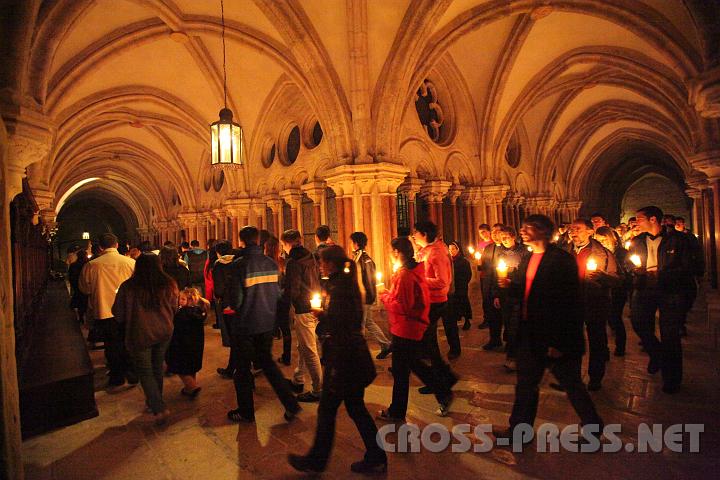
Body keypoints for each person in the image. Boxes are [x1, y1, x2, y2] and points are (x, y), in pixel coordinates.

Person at [494, 215, 603, 441]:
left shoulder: (561, 261)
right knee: (525, 385)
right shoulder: (528, 258)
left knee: (571, 384)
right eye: (522, 227)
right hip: (531, 333)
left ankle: (593, 427)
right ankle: (519, 433)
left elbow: (569, 302)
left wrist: (559, 342)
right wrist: (509, 287)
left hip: (554, 336)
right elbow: (528, 292)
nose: (522, 231)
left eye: (528, 228)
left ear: (543, 231)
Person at [288, 245, 386, 474]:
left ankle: (317, 460)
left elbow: (342, 325)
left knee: (328, 411)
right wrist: (325, 315)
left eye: (322, 262)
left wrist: (324, 320)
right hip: (351, 357)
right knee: (355, 408)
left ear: (330, 263)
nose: (319, 265)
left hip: (344, 360)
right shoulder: (344, 282)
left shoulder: (340, 287)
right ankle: (376, 454)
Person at [225, 226, 301, 423]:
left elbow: (236, 301)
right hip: (267, 322)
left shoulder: (238, 265)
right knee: (268, 365)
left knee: (241, 369)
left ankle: (246, 411)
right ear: (259, 241)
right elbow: (276, 294)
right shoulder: (270, 263)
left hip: (246, 325)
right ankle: (291, 404)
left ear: (241, 241)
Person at [377, 237, 450, 422]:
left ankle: (398, 410)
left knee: (403, 371)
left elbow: (404, 306)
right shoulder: (414, 270)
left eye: (390, 251)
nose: (389, 255)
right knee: (412, 365)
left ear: (396, 252)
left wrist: (384, 295)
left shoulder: (405, 275)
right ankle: (442, 392)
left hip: (405, 328)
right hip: (409, 326)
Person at [629, 206, 694, 394]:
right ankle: (657, 354)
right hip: (644, 288)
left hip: (670, 290)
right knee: (639, 323)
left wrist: (662, 274)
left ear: (653, 219)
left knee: (670, 335)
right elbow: (629, 261)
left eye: (639, 219)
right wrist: (635, 270)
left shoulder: (677, 240)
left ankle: (672, 379)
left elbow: (688, 267)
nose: (635, 222)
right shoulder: (638, 240)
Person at [112, 253, 178, 425]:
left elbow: (118, 313)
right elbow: (174, 307)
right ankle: (155, 400)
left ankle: (158, 406)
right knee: (157, 366)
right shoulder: (169, 284)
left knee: (145, 371)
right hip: (164, 331)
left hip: (140, 333)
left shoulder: (128, 287)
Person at [565, 219, 620, 391]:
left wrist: (601, 276)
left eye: (578, 229)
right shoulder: (564, 253)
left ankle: (595, 376)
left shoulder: (603, 253)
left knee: (596, 340)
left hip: (595, 302)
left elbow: (617, 280)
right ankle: (573, 377)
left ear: (590, 232)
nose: (573, 232)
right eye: (571, 229)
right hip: (571, 303)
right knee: (572, 342)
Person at [80, 233, 137, 391]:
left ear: (100, 247)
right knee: (128, 341)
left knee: (111, 345)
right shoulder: (131, 262)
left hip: (104, 310)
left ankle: (117, 377)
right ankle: (132, 373)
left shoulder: (92, 265)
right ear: (117, 245)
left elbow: (84, 288)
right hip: (127, 310)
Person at [412, 221, 456, 414]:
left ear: (424, 233)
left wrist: (418, 279)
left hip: (436, 301)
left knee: (426, 345)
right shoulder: (429, 250)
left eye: (416, 233)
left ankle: (442, 383)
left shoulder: (437, 252)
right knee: (428, 345)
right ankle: (443, 378)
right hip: (431, 300)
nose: (414, 236)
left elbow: (442, 281)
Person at [281, 229, 323, 402]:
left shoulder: (293, 262)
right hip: (315, 305)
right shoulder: (311, 256)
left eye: (284, 245)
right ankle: (298, 379)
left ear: (288, 243)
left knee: (310, 350)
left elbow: (293, 289)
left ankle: (318, 389)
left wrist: (283, 300)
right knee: (303, 346)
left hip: (303, 308)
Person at [490, 226, 528, 371]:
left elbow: (525, 274)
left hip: (518, 293)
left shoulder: (523, 252)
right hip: (505, 294)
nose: (503, 240)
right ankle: (512, 352)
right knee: (508, 323)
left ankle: (516, 355)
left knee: (517, 325)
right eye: (501, 237)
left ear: (513, 236)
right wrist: (496, 295)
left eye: (506, 237)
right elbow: (496, 274)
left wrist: (513, 279)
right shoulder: (500, 253)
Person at [350, 231, 392, 359]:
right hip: (368, 296)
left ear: (356, 244)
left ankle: (359, 355)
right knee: (368, 322)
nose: (350, 245)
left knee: (360, 325)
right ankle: (386, 344)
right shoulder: (367, 258)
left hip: (363, 298)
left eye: (351, 242)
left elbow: (361, 280)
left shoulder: (359, 259)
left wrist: (360, 297)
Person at [165, 287, 208, 397]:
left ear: (190, 300)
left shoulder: (182, 314)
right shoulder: (199, 311)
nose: (180, 301)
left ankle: (192, 387)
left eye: (183, 299)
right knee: (191, 366)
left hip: (182, 345)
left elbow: (176, 328)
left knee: (180, 368)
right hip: (196, 345)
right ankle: (190, 386)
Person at [594, 226, 629, 356]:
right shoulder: (597, 252)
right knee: (604, 319)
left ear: (611, 239)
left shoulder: (621, 253)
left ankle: (620, 346)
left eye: (603, 240)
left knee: (615, 317)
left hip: (618, 290)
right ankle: (604, 349)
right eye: (597, 240)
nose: (601, 243)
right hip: (603, 289)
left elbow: (624, 272)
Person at [212, 241, 240, 379]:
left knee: (234, 338)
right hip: (241, 303)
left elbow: (219, 289)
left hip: (228, 304)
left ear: (218, 252)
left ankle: (234, 369)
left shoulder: (219, 265)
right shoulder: (239, 260)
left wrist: (219, 298)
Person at [674, 216, 704, 335]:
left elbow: (696, 253)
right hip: (676, 275)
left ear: (683, 224)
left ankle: (681, 321)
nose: (677, 225)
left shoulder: (689, 237)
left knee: (686, 298)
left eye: (679, 223)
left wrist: (698, 270)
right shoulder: (671, 238)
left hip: (687, 273)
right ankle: (678, 324)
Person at [265, 235, 292, 365]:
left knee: (268, 330)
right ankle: (287, 356)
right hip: (283, 299)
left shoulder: (265, 263)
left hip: (270, 300)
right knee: (285, 328)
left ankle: (267, 358)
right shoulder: (282, 262)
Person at [479, 223, 505, 341]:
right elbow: (484, 265)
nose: (494, 234)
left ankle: (510, 341)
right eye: (493, 232)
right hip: (488, 286)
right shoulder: (489, 248)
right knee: (492, 315)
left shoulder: (507, 248)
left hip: (502, 286)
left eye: (497, 231)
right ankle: (494, 340)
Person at [447, 241, 473, 331]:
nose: (451, 251)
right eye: (449, 249)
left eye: (453, 249)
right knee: (453, 304)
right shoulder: (449, 261)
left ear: (458, 249)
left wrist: (463, 282)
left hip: (461, 286)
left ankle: (467, 320)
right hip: (452, 286)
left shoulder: (464, 261)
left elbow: (468, 274)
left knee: (463, 302)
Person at [67, 246, 90, 324]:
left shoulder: (74, 265)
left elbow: (70, 276)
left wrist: (74, 286)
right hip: (87, 287)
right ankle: (87, 318)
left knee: (80, 303)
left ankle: (81, 317)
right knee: (87, 303)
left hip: (77, 286)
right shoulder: (88, 265)